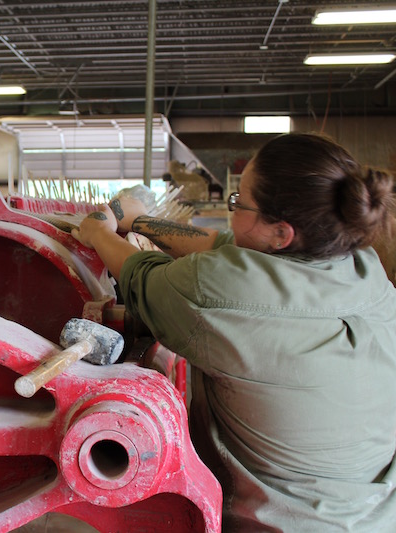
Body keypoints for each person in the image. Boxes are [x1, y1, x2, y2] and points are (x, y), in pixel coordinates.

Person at [72, 132, 396, 532]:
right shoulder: (363, 267)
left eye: (238, 202)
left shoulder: (219, 292)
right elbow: (226, 247)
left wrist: (99, 233)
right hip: (377, 515)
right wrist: (137, 220)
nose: (231, 212)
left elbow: (142, 277)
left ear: (282, 233)